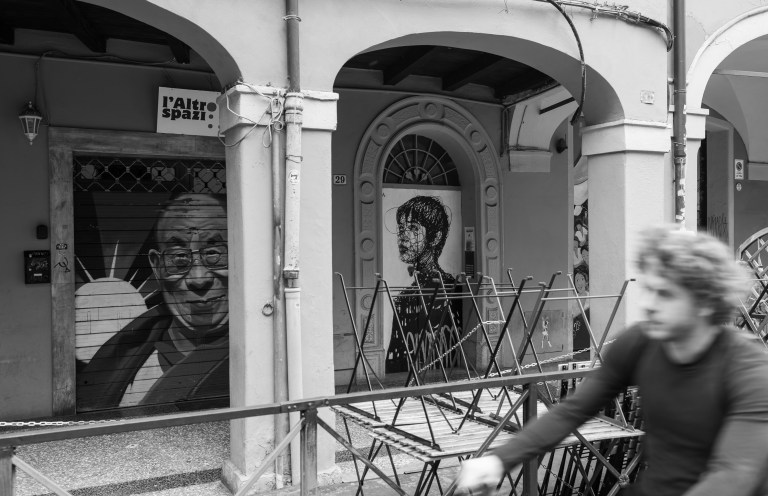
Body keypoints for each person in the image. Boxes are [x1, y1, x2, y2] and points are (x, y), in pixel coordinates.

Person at [455, 225, 768, 496]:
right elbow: (572, 410)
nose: (649, 304)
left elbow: (733, 475)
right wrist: (499, 460)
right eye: (649, 289)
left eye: (665, 294)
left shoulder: (748, 369)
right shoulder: (641, 342)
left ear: (704, 302)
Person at [77, 193, 229, 410]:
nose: (198, 279)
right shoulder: (126, 365)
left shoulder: (262, 346)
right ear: (157, 267)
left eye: (213, 254)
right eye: (179, 257)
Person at [386, 195, 458, 373]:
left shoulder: (454, 290)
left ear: (435, 237)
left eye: (413, 228)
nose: (403, 236)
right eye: (401, 228)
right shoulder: (403, 300)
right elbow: (394, 360)